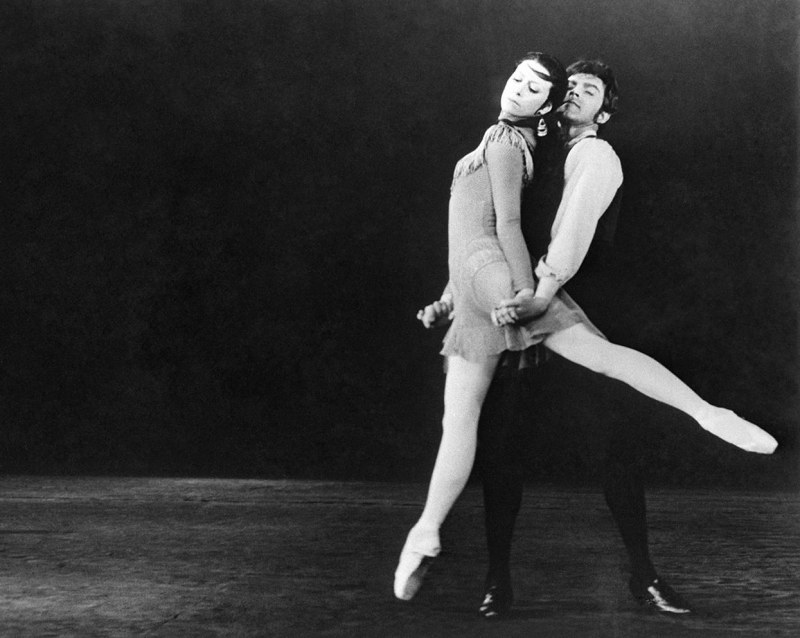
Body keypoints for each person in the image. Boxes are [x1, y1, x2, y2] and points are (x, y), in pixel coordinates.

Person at [398, 58, 779, 606]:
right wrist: (455, 296)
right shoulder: (535, 147)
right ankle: (496, 581)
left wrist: (536, 293)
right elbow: (479, 231)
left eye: (589, 88)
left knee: (612, 447)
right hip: (518, 295)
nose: (575, 93)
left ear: (605, 109)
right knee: (502, 448)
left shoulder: (593, 154)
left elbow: (567, 237)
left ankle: (646, 571)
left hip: (561, 297)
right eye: (570, 86)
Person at [392, 51, 570, 601]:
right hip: (469, 284)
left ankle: (425, 533)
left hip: (491, 275)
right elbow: (465, 231)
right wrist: (446, 300)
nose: (519, 88)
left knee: (568, 339)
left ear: (546, 105)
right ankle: (425, 532)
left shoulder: (506, 143)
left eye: (534, 86)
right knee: (458, 419)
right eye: (517, 78)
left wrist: (520, 292)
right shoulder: (498, 136)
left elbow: (506, 225)